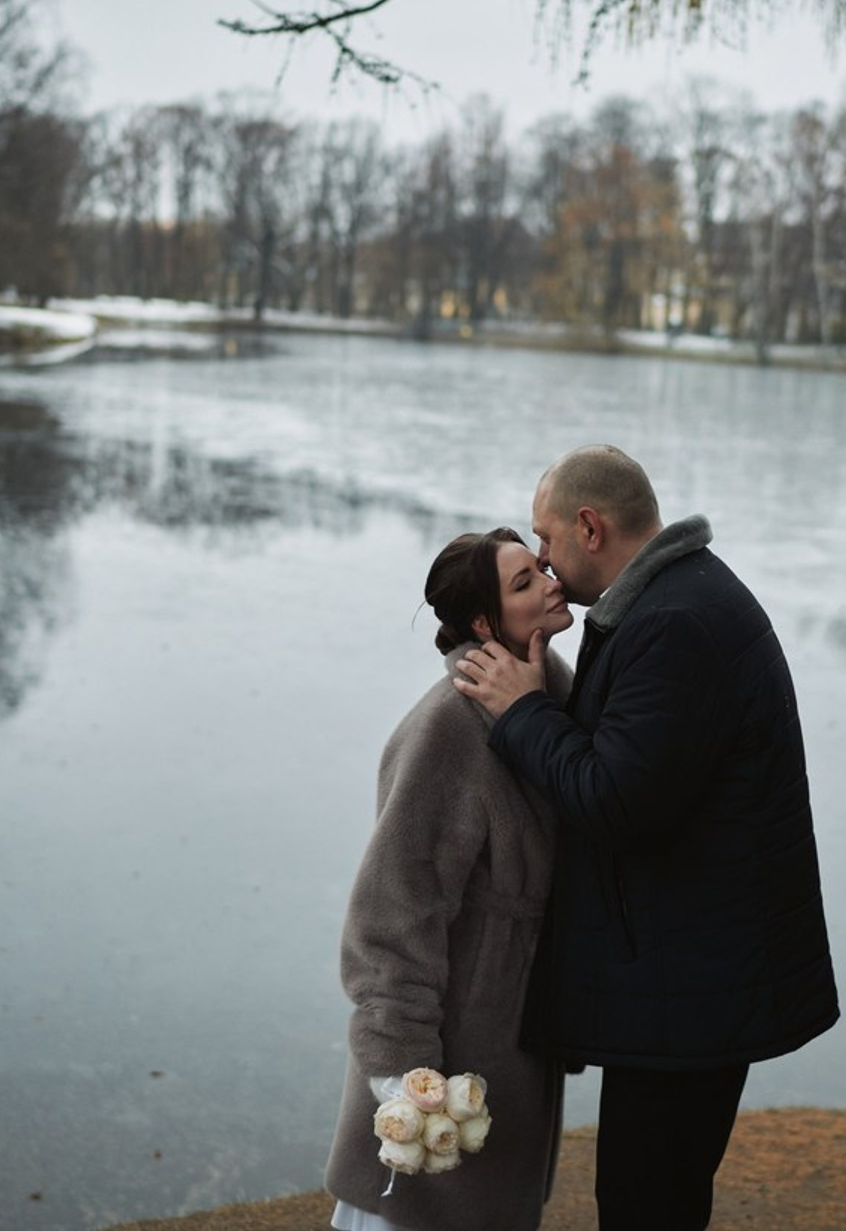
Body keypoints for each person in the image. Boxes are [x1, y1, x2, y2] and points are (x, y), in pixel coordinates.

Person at [453, 445, 840, 1230]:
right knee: (653, 1197)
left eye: (546, 539)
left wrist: (523, 712)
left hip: (694, 991)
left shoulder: (676, 625)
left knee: (646, 1204)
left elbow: (614, 799)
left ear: (590, 527)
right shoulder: (674, 598)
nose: (542, 560)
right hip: (692, 976)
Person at [325, 527, 576, 1231]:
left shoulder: (558, 707)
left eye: (541, 570)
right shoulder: (449, 728)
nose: (551, 583)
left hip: (519, 1047)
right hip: (447, 1058)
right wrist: (406, 1082)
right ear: (483, 624)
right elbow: (390, 917)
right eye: (525, 582)